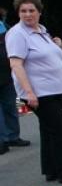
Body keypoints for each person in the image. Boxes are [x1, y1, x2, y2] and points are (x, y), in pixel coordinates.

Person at [5, 0, 62, 183]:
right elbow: (16, 65)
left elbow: (48, 56)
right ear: (18, 13)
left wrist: (57, 45)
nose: (28, 15)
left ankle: (51, 169)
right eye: (23, 11)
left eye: (31, 11)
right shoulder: (17, 34)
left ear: (39, 12)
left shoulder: (42, 30)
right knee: (59, 129)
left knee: (48, 129)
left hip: (54, 89)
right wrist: (28, 92)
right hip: (38, 92)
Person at [0, 23, 28, 154]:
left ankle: (12, 137)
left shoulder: (4, 28)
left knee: (10, 107)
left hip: (7, 75)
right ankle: (3, 140)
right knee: (6, 108)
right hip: (7, 73)